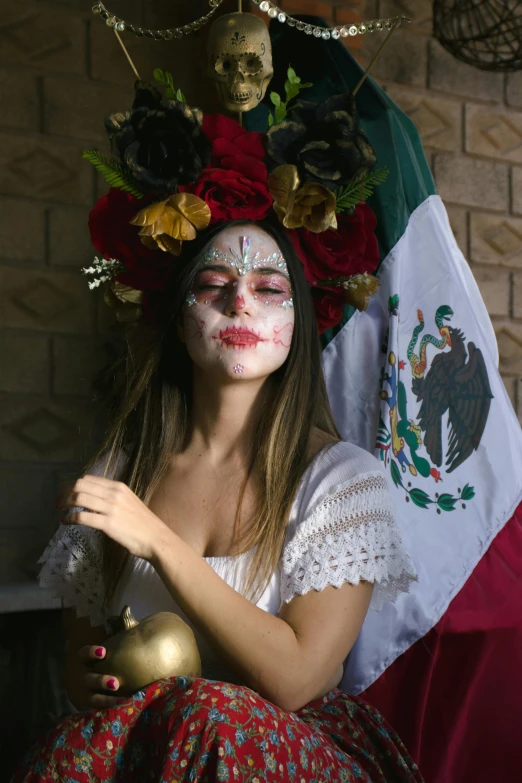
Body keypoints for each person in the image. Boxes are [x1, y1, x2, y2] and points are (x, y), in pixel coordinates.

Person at [12, 220, 423, 783]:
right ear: (182, 320)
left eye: (268, 289)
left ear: (297, 321)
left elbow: (296, 680)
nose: (240, 304)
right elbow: (86, 669)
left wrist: (158, 540)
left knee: (209, 716)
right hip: (147, 753)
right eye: (214, 285)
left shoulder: (343, 482)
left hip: (287, 755)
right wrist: (92, 679)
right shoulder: (116, 477)